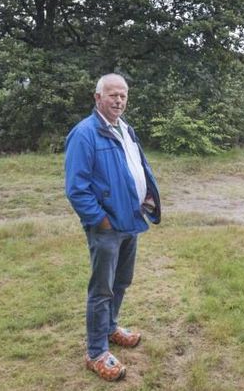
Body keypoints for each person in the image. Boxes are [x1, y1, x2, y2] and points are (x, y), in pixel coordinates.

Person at [64, 73, 162, 382]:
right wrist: (101, 220)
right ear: (98, 98)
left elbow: (136, 169)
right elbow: (76, 189)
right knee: (102, 288)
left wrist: (146, 197)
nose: (119, 100)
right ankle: (96, 352)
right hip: (107, 226)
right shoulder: (85, 134)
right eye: (112, 95)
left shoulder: (125, 130)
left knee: (121, 281)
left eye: (123, 95)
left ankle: (110, 328)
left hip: (131, 220)